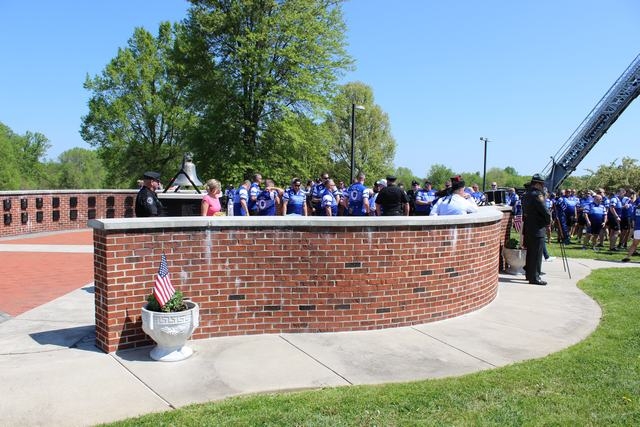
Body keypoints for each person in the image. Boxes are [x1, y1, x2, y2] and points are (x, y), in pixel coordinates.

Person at [522, 174, 551, 286]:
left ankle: (529, 274)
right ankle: (535, 277)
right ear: (538, 184)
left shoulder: (526, 194)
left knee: (530, 253)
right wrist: (548, 220)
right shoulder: (537, 195)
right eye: (542, 184)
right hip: (537, 228)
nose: (543, 186)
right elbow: (544, 210)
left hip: (529, 227)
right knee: (537, 254)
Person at [622, 196, 640, 262]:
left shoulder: (636, 208)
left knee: (634, 244)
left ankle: (628, 257)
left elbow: (633, 219)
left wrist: (633, 227)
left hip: (637, 228)